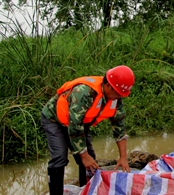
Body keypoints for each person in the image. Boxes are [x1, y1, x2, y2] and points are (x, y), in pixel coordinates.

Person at [40, 65, 134, 195]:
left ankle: (85, 190)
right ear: (108, 86)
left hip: (78, 123)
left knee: (90, 157)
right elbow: (74, 125)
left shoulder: (115, 98)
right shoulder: (84, 93)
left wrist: (123, 157)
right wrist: (83, 155)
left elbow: (119, 127)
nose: (119, 97)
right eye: (118, 94)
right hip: (54, 119)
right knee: (60, 157)